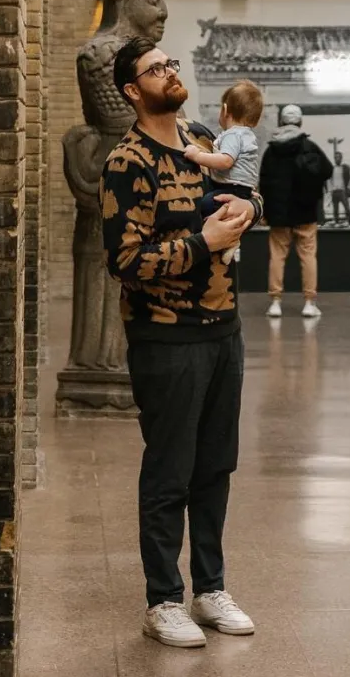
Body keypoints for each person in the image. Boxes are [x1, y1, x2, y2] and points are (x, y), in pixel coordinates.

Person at [102, 36, 259, 648]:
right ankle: (162, 598)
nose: (169, 71)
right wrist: (205, 243)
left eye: (170, 63)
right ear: (132, 90)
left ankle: (210, 588)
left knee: (215, 465)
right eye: (155, 68)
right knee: (170, 469)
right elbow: (126, 260)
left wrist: (246, 214)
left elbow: (242, 190)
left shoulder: (199, 137)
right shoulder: (128, 161)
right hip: (166, 338)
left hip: (225, 331)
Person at [258, 104, 333, 318]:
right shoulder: (309, 146)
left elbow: (264, 183)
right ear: (300, 122)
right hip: (305, 212)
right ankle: (309, 302)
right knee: (308, 256)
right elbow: (327, 170)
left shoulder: (271, 150)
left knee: (277, 257)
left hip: (279, 214)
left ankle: (275, 302)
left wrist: (265, 212)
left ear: (281, 121)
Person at [184, 79, 264, 264]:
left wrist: (197, 155)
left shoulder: (233, 135)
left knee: (206, 205)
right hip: (241, 190)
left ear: (225, 110)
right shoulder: (246, 135)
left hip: (231, 188)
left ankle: (227, 241)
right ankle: (232, 242)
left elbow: (225, 161)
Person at [331, 151, 350, 225]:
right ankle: (336, 222)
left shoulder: (345, 168)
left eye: (339, 157)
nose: (337, 159)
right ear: (334, 159)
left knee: (347, 207)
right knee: (335, 209)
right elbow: (330, 180)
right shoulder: (332, 168)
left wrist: (347, 188)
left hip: (342, 191)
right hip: (334, 191)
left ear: (341, 158)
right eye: (336, 157)